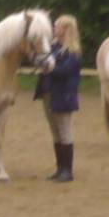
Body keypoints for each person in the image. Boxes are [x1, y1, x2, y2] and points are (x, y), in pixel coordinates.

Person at [33, 15, 82, 182]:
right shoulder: (52, 47)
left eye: (57, 26)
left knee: (65, 132)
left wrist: (48, 66)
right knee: (55, 133)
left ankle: (67, 170)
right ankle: (60, 168)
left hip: (63, 95)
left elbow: (64, 71)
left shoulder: (72, 52)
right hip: (48, 93)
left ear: (65, 30)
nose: (54, 29)